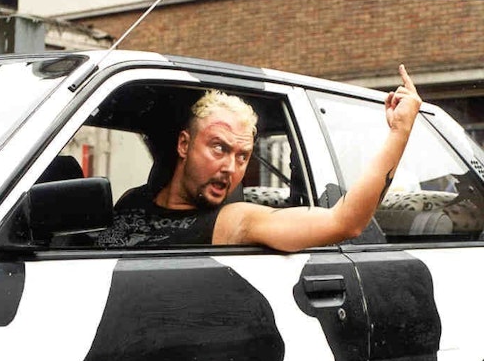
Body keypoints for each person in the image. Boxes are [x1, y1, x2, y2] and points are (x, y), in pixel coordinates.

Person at [96, 64, 422, 251]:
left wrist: (399, 133)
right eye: (219, 148)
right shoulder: (132, 200)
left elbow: (344, 222)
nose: (231, 168)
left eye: (243, 157)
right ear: (184, 145)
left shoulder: (234, 221)